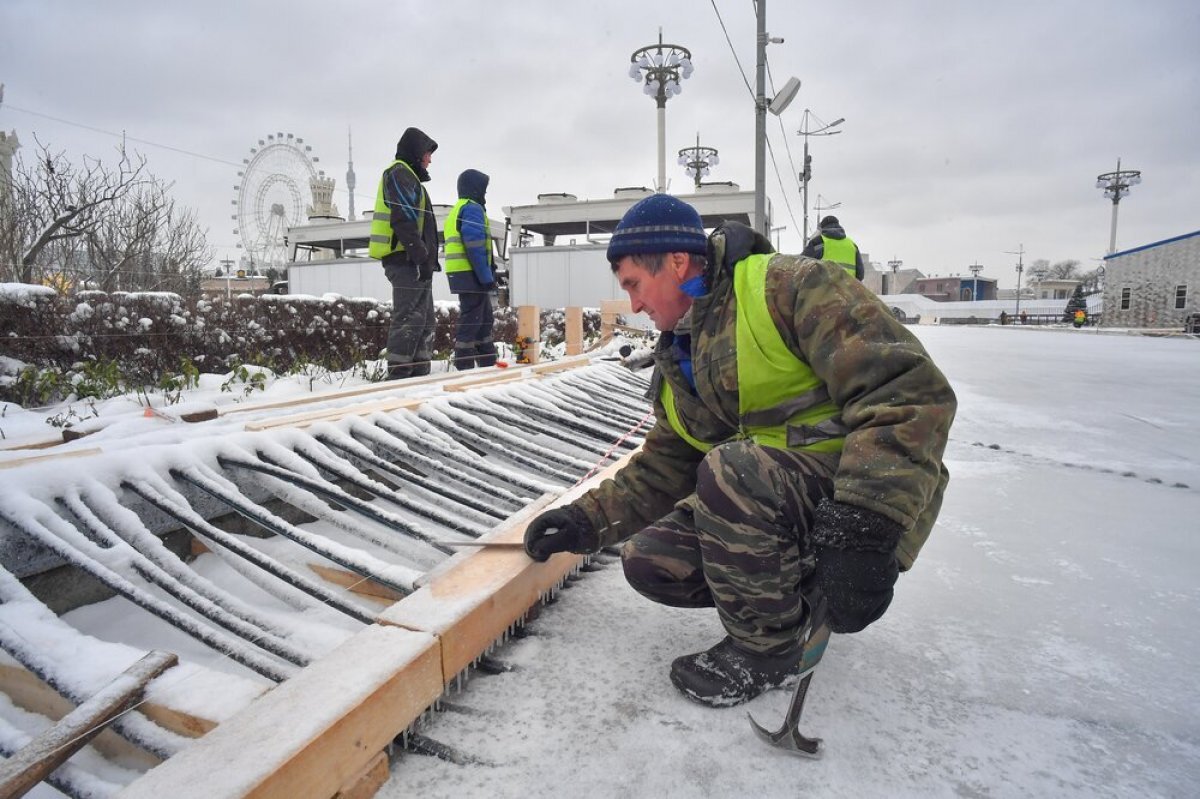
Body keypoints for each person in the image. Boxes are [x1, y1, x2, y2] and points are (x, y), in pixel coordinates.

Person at [524, 194, 956, 707]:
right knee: (652, 560)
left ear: (678, 263)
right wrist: (582, 521)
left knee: (731, 469)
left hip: (867, 494)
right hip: (782, 497)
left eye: (635, 285)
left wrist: (865, 529)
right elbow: (665, 465)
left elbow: (907, 393)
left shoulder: (790, 288)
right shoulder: (681, 355)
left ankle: (768, 651)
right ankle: (802, 592)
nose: (634, 305)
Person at [368, 127, 440, 379]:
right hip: (405, 260)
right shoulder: (399, 174)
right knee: (409, 319)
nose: (430, 160)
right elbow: (404, 221)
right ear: (416, 152)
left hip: (415, 261)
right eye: (427, 153)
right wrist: (420, 256)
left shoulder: (409, 176)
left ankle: (419, 375)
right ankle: (399, 378)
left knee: (424, 320)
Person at [443, 169, 498, 369]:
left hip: (463, 273)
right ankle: (464, 364)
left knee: (483, 318)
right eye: (483, 188)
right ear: (475, 188)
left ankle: (488, 362)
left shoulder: (458, 208)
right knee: (473, 319)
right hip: (471, 274)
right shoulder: (472, 208)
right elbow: (474, 245)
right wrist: (486, 277)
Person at [802, 215, 865, 280]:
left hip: (824, 288)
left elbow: (801, 264)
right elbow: (860, 275)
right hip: (847, 288)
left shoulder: (819, 242)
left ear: (822, 228)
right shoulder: (852, 245)